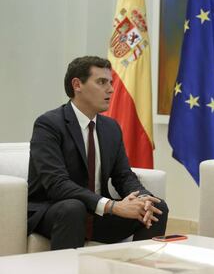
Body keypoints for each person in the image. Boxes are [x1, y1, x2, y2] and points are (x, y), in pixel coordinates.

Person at [27, 56, 168, 250]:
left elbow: (123, 176)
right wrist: (112, 206)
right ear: (77, 84)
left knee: (156, 208)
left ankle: (140, 270)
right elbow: (57, 184)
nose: (110, 89)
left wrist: (143, 198)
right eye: (101, 82)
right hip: (55, 210)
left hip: (97, 214)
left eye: (110, 82)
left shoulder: (111, 127)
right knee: (73, 208)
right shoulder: (48, 124)